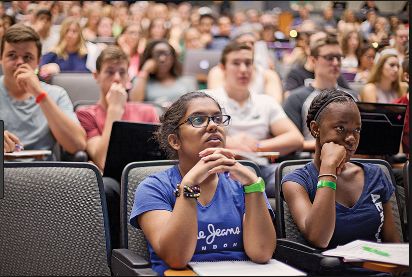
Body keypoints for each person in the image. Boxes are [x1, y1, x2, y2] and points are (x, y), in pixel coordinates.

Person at [130, 91, 276, 275]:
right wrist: (189, 184)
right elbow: (176, 258)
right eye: (198, 120)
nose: (213, 125)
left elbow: (261, 253)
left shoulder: (245, 183)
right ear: (175, 141)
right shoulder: (153, 188)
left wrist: (254, 185)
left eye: (217, 118)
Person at [282, 88, 400, 250]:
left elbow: (394, 246)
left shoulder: (376, 174)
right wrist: (329, 168)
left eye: (357, 129)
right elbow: (319, 238)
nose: (351, 138)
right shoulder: (296, 182)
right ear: (316, 129)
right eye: (340, 128)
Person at [75, 45, 159, 249]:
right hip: (112, 182)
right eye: (110, 72)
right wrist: (114, 109)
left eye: (122, 72)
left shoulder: (147, 111)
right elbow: (103, 160)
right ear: (96, 76)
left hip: (147, 176)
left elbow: (159, 155)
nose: (116, 78)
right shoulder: (86, 114)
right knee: (107, 187)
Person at [207, 42, 303, 197]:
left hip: (262, 168)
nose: (243, 70)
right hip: (223, 167)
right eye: (236, 63)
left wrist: (257, 146)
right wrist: (230, 142)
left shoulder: (265, 102)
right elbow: (194, 135)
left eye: (248, 63)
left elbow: (295, 138)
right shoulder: (208, 99)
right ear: (223, 68)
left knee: (297, 178)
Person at [0, 24, 86, 156]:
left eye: (28, 57)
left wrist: (40, 94)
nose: (19, 62)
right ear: (1, 59)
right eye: (12, 55)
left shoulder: (56, 94)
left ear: (39, 61)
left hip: (44, 173)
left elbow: (77, 145)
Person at [283, 35, 358, 152]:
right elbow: (292, 143)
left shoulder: (353, 97)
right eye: (329, 58)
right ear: (313, 61)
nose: (336, 62)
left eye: (339, 57)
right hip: (310, 161)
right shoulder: (296, 98)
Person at [207, 31, 283, 103]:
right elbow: (216, 102)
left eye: (252, 43)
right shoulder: (218, 71)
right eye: (244, 43)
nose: (248, 45)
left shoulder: (269, 74)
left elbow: (275, 104)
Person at [129, 39, 197, 107]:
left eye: (166, 54)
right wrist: (145, 71)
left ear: (173, 58)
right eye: (157, 54)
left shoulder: (187, 80)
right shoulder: (141, 80)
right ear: (150, 58)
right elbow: (135, 103)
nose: (162, 59)